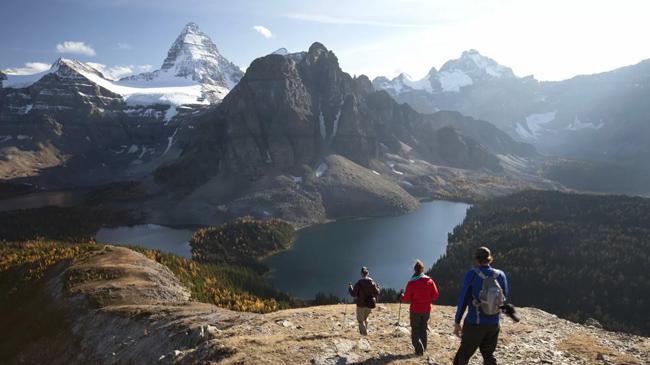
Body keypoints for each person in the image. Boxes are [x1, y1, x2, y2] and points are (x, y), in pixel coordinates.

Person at [453, 246, 509, 365]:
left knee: (462, 356)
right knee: (488, 355)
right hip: (494, 323)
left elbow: (463, 299)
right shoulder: (500, 275)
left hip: (475, 323)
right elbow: (504, 297)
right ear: (490, 259)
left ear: (477, 260)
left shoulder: (472, 274)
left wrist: (457, 321)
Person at [399, 260, 439, 356]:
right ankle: (423, 348)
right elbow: (435, 295)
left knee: (415, 329)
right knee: (423, 328)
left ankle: (419, 349)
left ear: (414, 270)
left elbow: (406, 299)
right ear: (422, 269)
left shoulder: (411, 283)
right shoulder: (430, 281)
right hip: (426, 310)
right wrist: (427, 298)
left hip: (415, 310)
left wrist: (400, 296)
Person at [348, 266, 380, 336]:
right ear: (368, 273)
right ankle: (365, 332)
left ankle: (364, 335)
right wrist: (377, 287)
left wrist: (350, 288)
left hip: (361, 305)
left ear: (361, 274)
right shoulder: (372, 282)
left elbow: (353, 294)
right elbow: (377, 292)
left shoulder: (359, 283)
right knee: (365, 318)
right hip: (370, 305)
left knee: (360, 321)